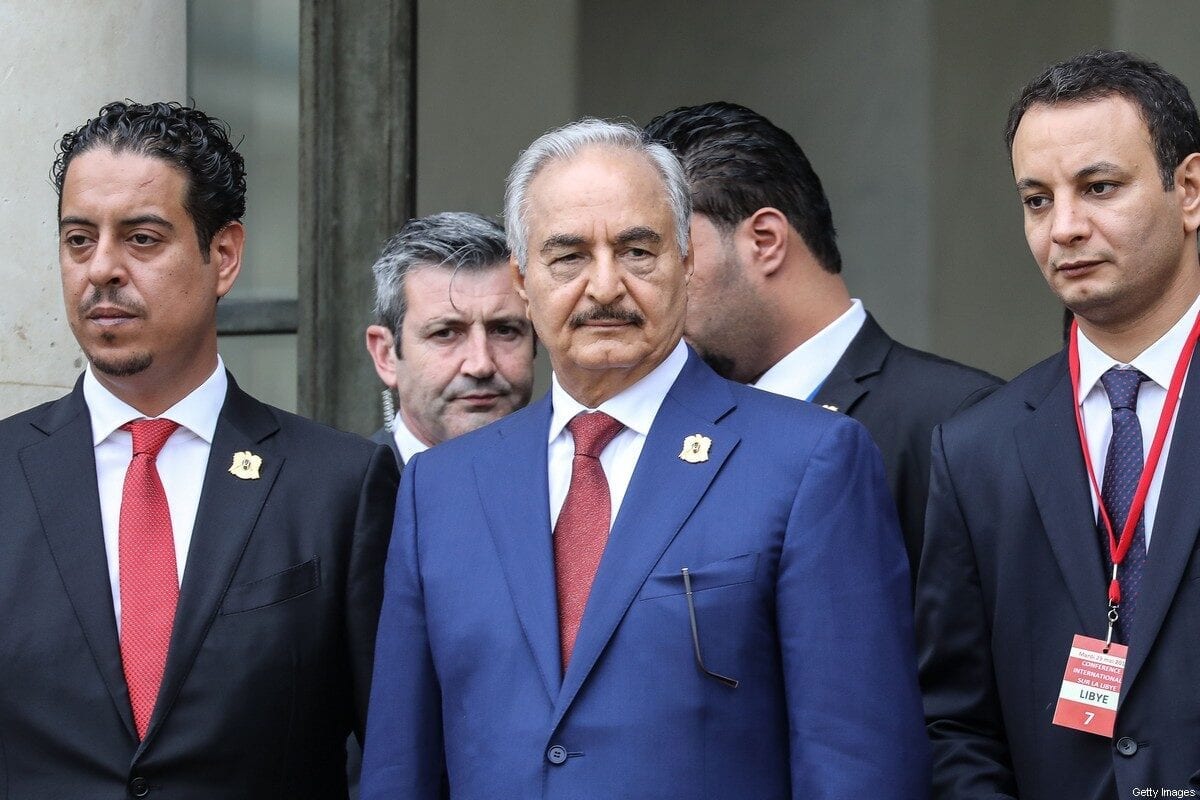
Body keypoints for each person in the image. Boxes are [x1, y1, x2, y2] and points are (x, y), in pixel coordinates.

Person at [361, 118, 929, 798]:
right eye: (568, 256)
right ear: (522, 279)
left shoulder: (809, 461)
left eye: (637, 251)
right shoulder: (441, 488)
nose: (604, 287)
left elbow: (857, 768)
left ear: (686, 263)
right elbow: (401, 767)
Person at [0, 101, 399, 798]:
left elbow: (395, 754)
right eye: (78, 240)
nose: (102, 270)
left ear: (224, 255)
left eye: (142, 239)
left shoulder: (338, 485)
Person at [918, 50, 1200, 799]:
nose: (1065, 227)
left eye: (1099, 188)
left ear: (1192, 191)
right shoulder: (977, 448)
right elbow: (956, 722)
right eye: (1037, 200)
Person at [645, 101, 1000, 577]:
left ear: (765, 240)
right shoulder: (661, 428)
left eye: (668, 251)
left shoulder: (959, 421)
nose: (647, 287)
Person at [364, 211, 535, 466]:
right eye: (445, 333)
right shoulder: (345, 501)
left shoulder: (570, 485)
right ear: (386, 355)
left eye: (504, 330)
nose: (481, 365)